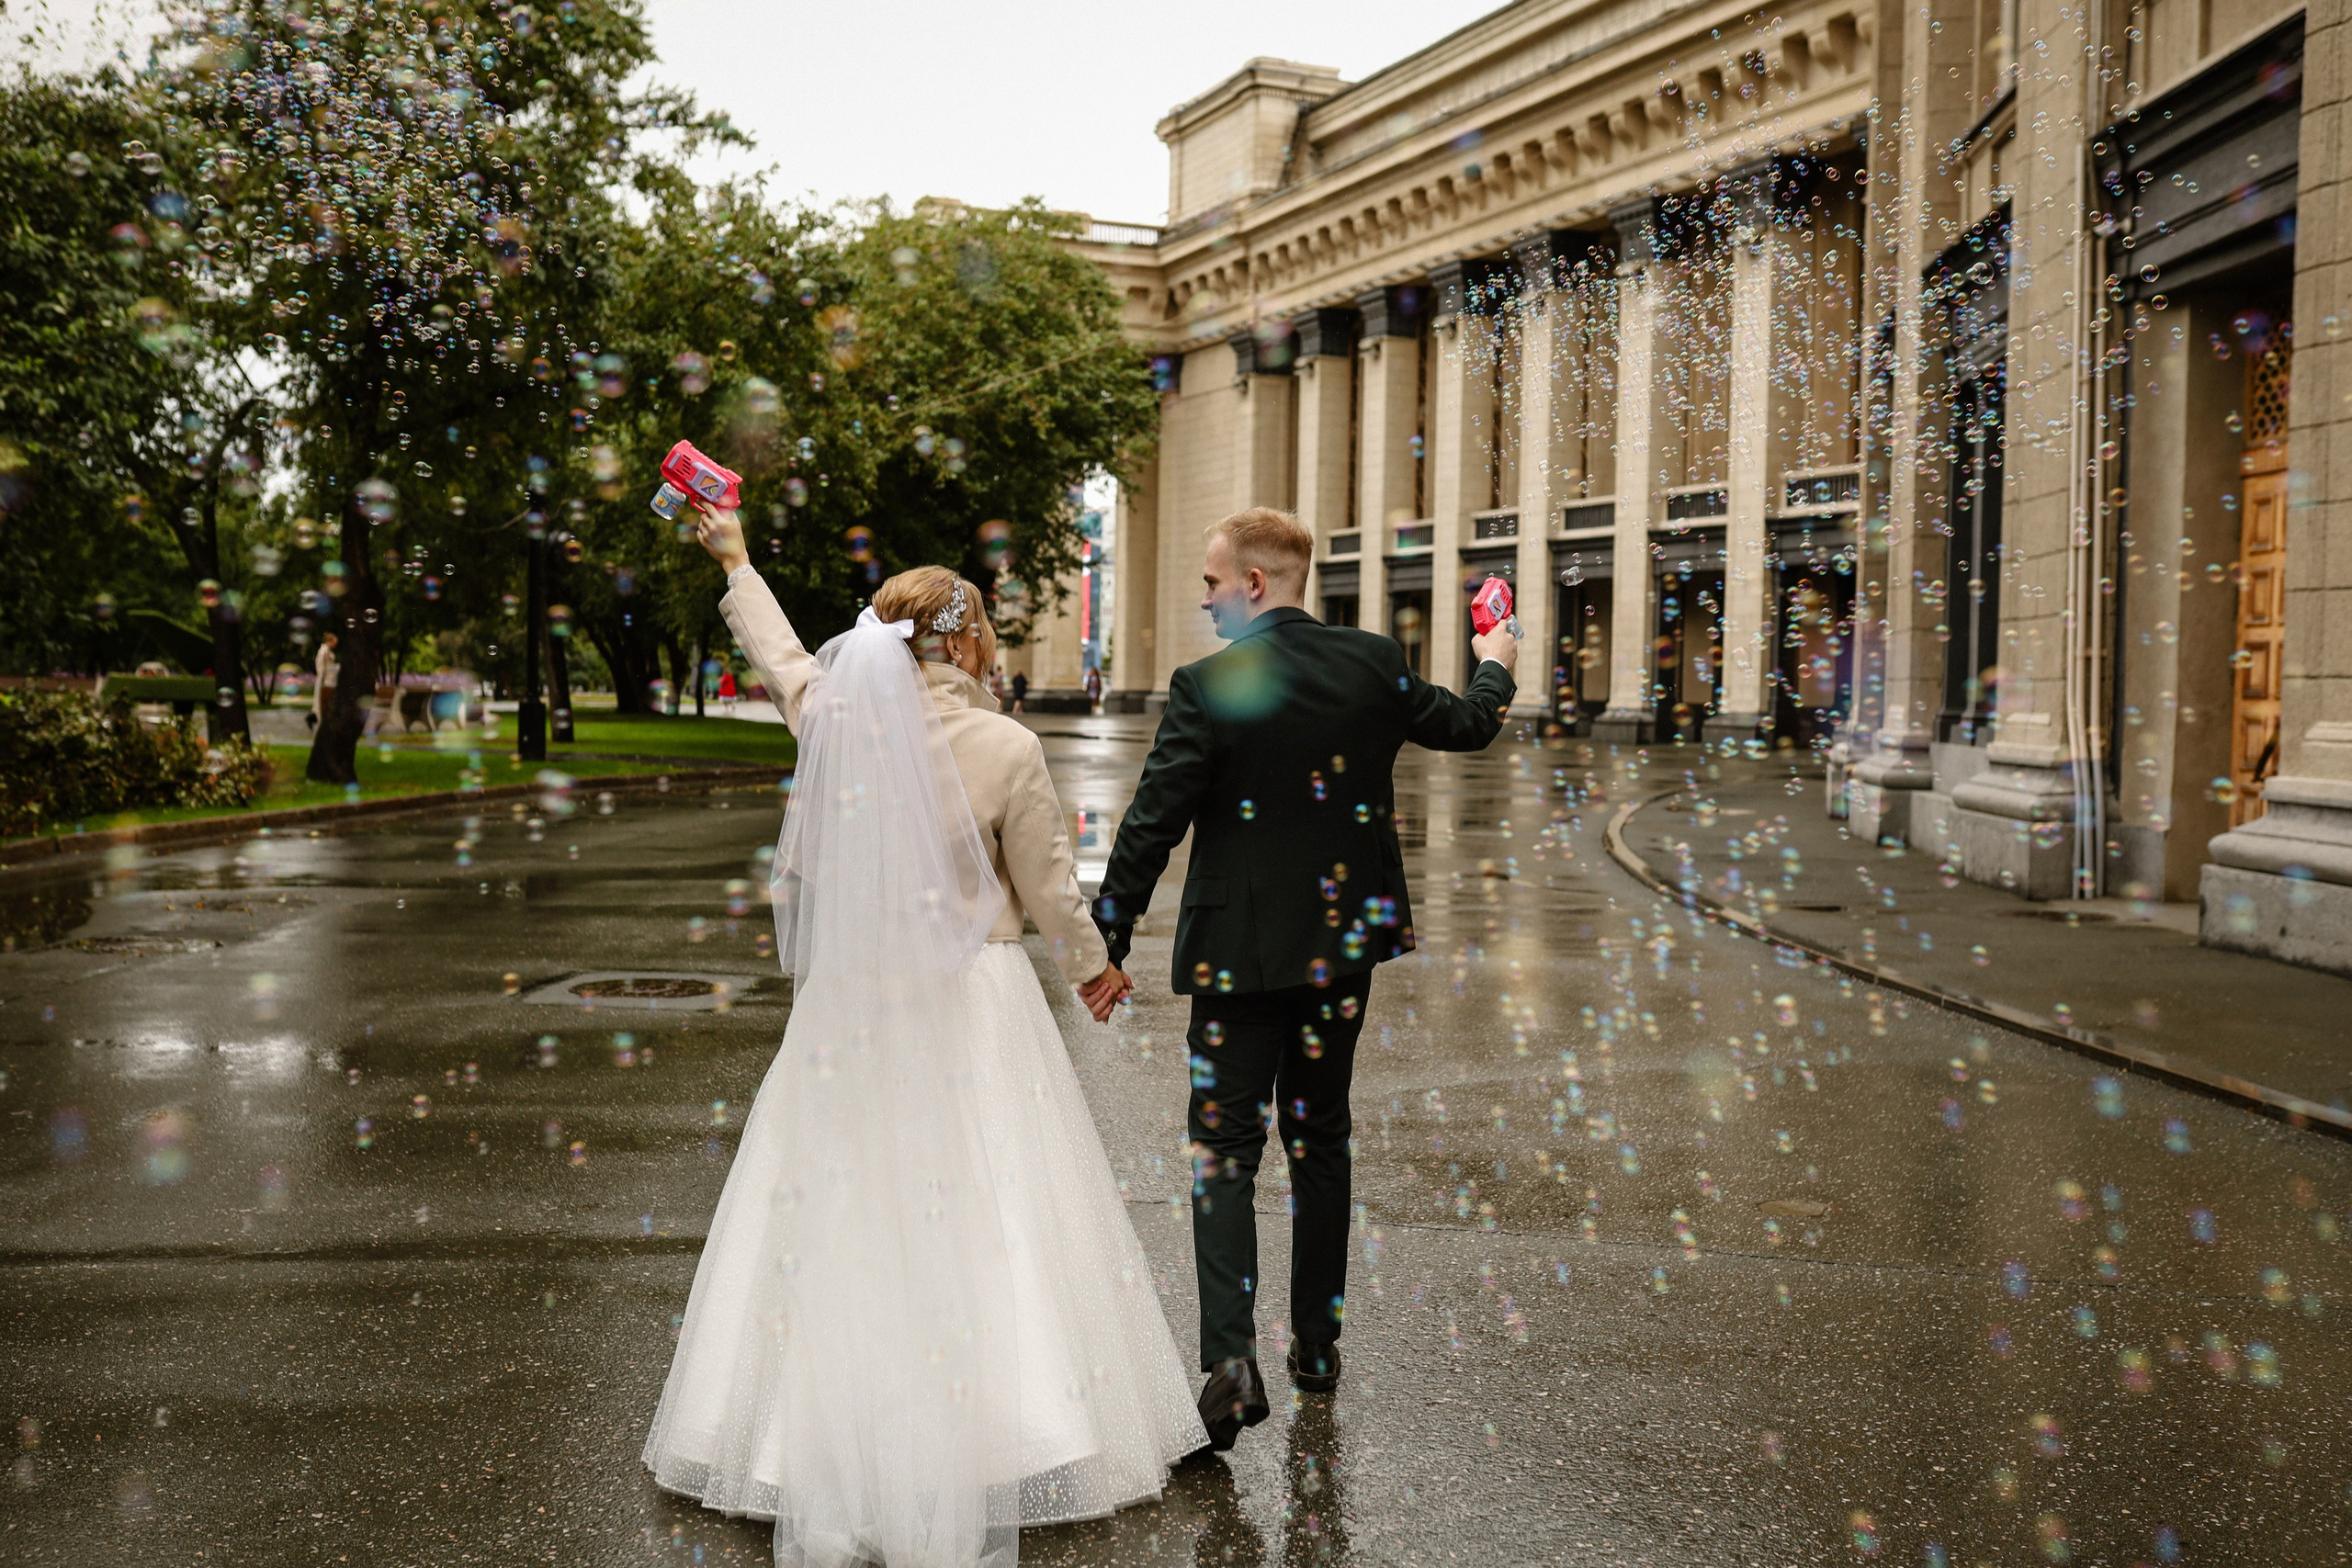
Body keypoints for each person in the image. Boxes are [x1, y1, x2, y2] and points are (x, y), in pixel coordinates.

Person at [643, 505, 1205, 1568]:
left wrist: (738, 559)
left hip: (852, 1011)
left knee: (840, 1199)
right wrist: (1092, 970)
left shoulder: (836, 721)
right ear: (963, 641)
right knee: (991, 1204)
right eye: (984, 632)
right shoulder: (1003, 744)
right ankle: (1008, 1429)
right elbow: (1045, 886)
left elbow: (781, 660)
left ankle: (793, 1432)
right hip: (972, 1002)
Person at [1090, 507, 1520, 1452]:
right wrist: (1498, 650)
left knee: (1224, 1149)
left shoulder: (1209, 685)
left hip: (1234, 962)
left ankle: (1232, 1356)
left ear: (1252, 583)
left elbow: (1153, 822)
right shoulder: (1369, 664)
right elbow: (1470, 722)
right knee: (1320, 1140)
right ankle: (1317, 1350)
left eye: (1209, 584)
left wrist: (1107, 940)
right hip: (1341, 954)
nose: (1203, 602)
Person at [308, 633, 338, 732]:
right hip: (324, 681)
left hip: (330, 680)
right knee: (320, 702)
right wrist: (324, 678)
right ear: (330, 641)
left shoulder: (327, 651)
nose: (335, 644)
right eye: (334, 642)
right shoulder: (323, 651)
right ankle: (315, 720)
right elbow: (320, 667)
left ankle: (313, 720)